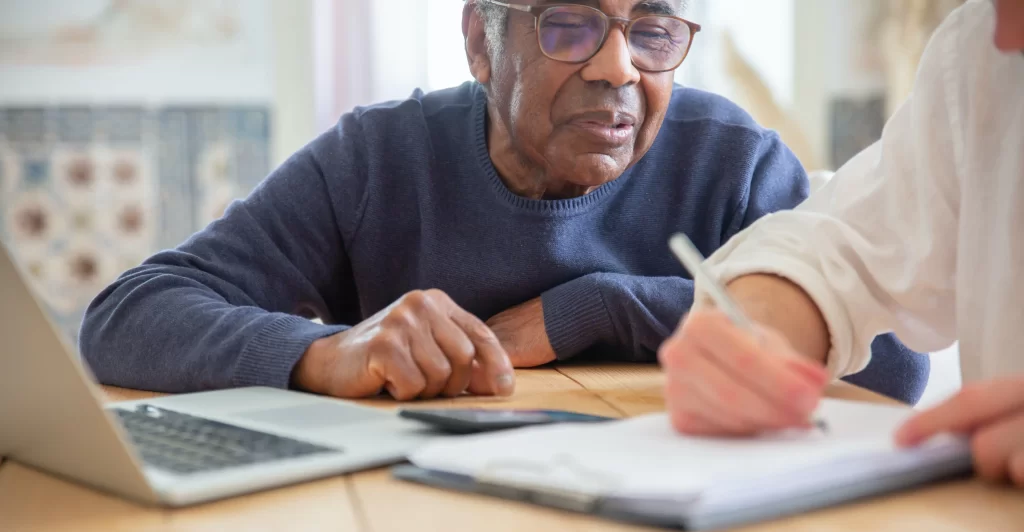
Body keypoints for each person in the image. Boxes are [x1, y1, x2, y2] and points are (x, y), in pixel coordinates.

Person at [80, 0, 928, 402]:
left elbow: (892, 364)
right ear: (480, 43)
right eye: (570, 24)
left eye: (652, 30)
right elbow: (125, 316)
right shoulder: (379, 157)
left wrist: (599, 306)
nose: (618, 67)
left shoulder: (731, 161)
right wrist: (324, 352)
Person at [660, 0, 1024, 486]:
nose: (1002, 29)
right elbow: (839, 244)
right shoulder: (981, 54)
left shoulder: (731, 150)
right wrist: (754, 336)